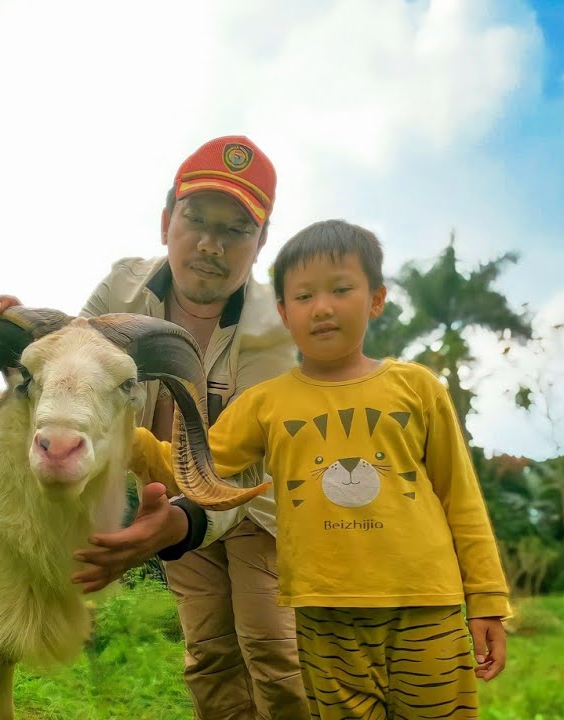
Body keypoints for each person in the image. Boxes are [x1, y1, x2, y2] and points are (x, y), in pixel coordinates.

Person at [0, 135, 310, 720]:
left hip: (260, 507)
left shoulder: (274, 329)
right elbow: (71, 370)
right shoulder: (122, 288)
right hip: (168, 500)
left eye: (236, 230)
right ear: (167, 218)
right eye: (196, 219)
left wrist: (179, 521)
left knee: (275, 652)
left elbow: (252, 464)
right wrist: (12, 330)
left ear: (261, 242)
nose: (210, 245)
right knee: (211, 655)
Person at [127, 219, 511, 719]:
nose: (323, 307)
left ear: (376, 299)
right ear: (284, 314)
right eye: (303, 296)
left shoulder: (418, 388)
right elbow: (192, 470)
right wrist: (114, 434)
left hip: (426, 610)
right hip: (322, 617)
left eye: (342, 289)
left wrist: (486, 600)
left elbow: (460, 497)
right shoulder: (264, 403)